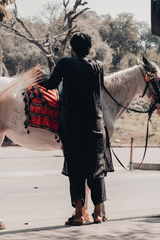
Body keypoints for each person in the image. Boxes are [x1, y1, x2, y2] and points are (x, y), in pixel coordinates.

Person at [46, 33, 113, 225]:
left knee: (75, 168)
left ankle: (78, 215)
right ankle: (98, 214)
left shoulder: (65, 63)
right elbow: (98, 88)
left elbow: (51, 85)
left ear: (72, 49)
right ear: (89, 49)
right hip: (95, 124)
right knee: (97, 169)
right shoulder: (99, 66)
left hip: (72, 126)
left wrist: (39, 79)